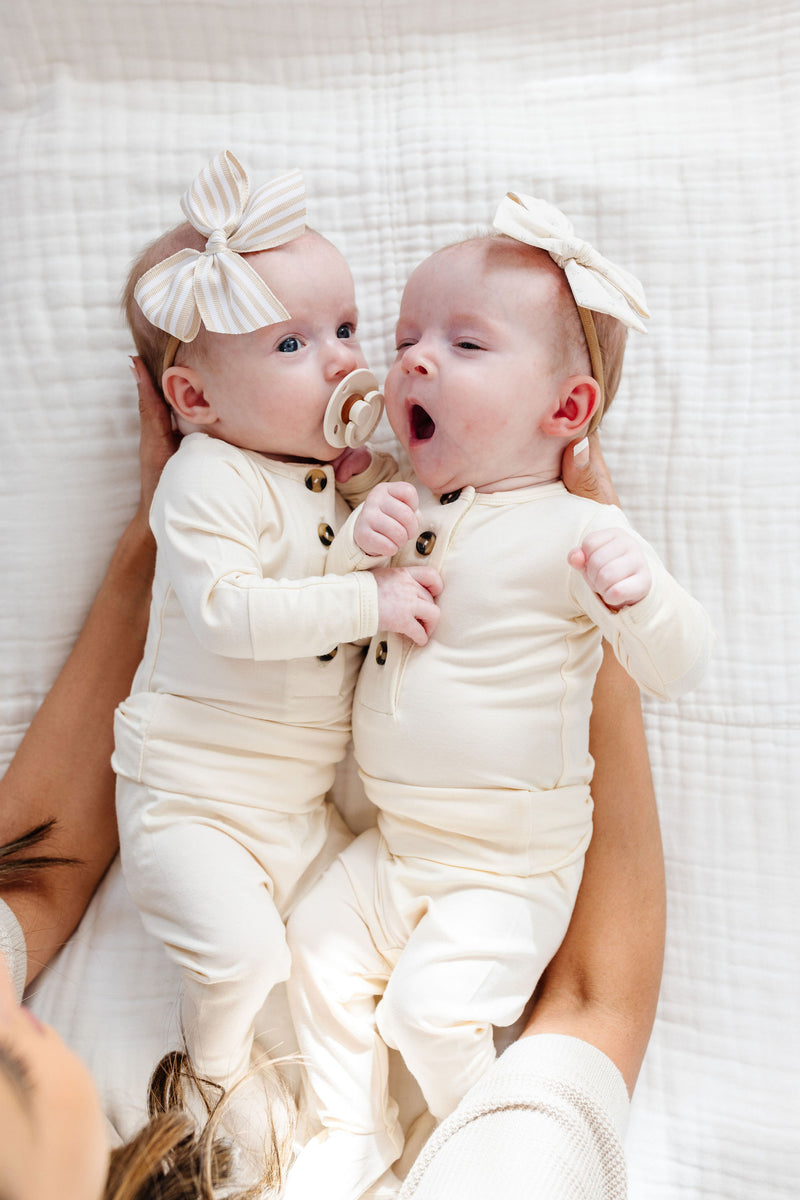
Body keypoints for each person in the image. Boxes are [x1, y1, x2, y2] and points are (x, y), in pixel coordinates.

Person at [0, 358, 663, 1200]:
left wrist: (159, 547)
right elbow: (591, 1003)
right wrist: (586, 597)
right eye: (16, 1065)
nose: (29, 1035)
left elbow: (28, 878)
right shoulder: (510, 1174)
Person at [283, 193, 713, 1200]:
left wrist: (637, 594)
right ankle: (350, 1132)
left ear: (565, 412)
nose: (412, 361)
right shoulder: (400, 500)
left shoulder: (573, 531)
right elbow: (333, 601)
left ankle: (466, 1142)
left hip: (506, 867)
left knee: (428, 1014)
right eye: (403, 338)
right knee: (314, 948)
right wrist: (361, 540)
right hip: (393, 847)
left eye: (464, 343)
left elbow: (675, 664)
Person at [110, 149, 441, 1160]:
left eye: (344, 328)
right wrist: (368, 594)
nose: (343, 360)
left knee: (330, 968)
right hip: (191, 801)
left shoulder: (321, 481)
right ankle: (208, 1074)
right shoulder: (204, 481)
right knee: (240, 957)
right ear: (194, 398)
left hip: (294, 809)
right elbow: (232, 617)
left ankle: (370, 1125)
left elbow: (332, 575)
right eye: (294, 343)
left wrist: (364, 512)